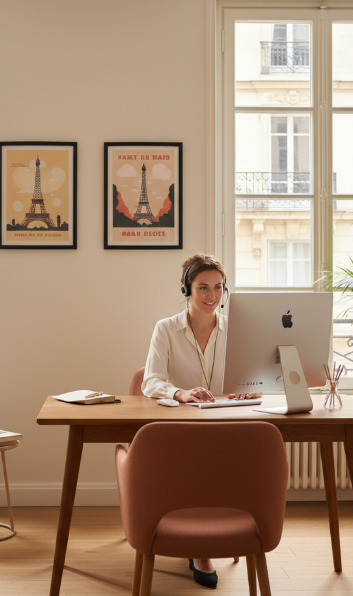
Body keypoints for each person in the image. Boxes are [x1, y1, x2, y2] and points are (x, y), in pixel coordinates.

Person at [141, 252, 227, 589]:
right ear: (186, 289)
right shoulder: (166, 329)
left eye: (218, 288)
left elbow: (249, 375)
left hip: (223, 424)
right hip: (180, 426)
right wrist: (181, 393)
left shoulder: (236, 329)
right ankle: (201, 548)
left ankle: (221, 533)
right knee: (198, 457)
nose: (212, 296)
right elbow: (150, 381)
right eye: (203, 287)